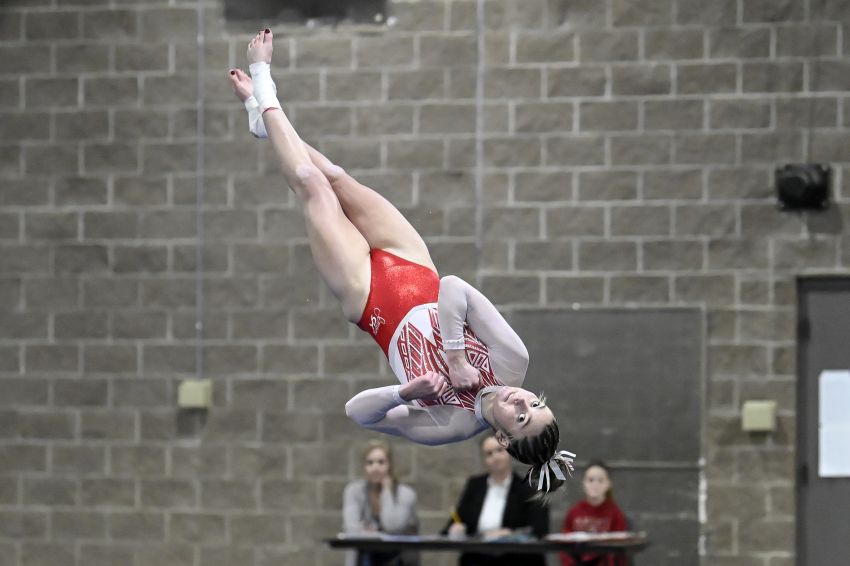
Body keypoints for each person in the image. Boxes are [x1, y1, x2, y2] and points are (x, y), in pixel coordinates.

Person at [228, 29, 574, 496]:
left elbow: (357, 412)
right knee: (335, 175)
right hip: (412, 262)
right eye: (537, 402)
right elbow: (453, 287)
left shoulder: (449, 423)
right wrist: (454, 355)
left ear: (502, 437)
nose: (523, 400)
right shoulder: (513, 362)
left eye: (522, 416)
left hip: (369, 297)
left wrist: (404, 394)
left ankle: (263, 83)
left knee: (311, 183)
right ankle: (262, 121)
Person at [442, 434, 549, 566]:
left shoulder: (529, 489)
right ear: (484, 459)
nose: (495, 457)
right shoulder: (475, 485)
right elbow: (455, 522)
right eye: (489, 454)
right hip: (478, 557)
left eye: (499, 450)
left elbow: (539, 530)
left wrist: (510, 534)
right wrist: (455, 529)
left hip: (515, 557)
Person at [343, 440, 419, 566]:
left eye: (381, 462)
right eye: (370, 463)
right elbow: (351, 530)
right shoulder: (354, 491)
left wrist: (387, 491)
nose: (375, 467)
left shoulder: (406, 494)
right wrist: (380, 535)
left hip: (397, 558)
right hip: (364, 558)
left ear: (390, 465)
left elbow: (393, 526)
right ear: (364, 466)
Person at [560, 461, 628, 566]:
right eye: (590, 480)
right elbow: (564, 547)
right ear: (583, 483)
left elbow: (619, 551)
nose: (595, 484)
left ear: (608, 484)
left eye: (600, 480)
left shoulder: (615, 513)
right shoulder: (574, 512)